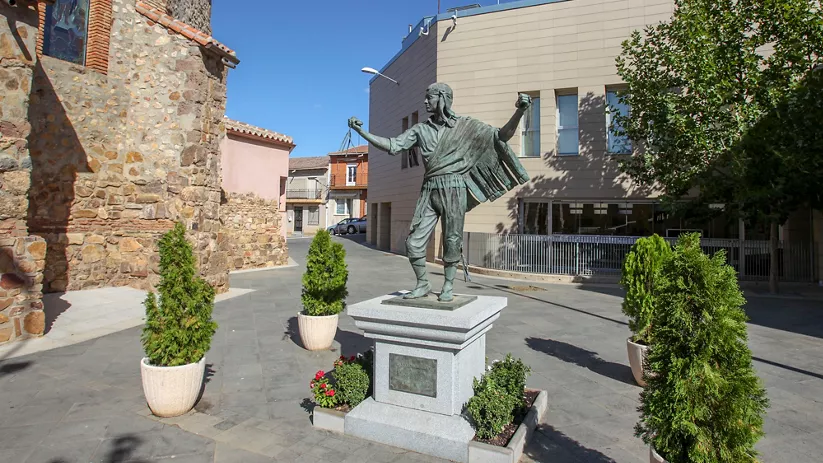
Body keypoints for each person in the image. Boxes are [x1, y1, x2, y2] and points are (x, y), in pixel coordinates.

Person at [348, 83, 530, 302]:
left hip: (454, 188)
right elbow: (393, 146)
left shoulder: (466, 126)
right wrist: (361, 132)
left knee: (452, 239)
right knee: (413, 242)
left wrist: (519, 111)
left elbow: (501, 136)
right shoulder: (420, 130)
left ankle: (448, 286)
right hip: (430, 188)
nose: (425, 102)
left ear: (442, 98)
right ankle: (423, 283)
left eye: (429, 98)